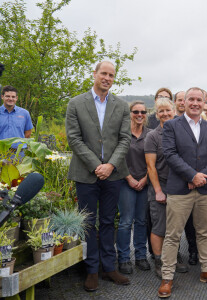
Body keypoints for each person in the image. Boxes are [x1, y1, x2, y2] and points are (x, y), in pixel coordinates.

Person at [65, 61, 131, 292]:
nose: (107, 78)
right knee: (88, 222)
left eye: (111, 75)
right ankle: (91, 270)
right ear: (94, 74)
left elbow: (125, 139)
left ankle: (108, 267)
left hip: (113, 175)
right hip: (85, 174)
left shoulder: (122, 106)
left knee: (108, 221)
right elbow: (74, 138)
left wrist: (111, 165)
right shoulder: (76, 103)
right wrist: (96, 165)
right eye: (103, 73)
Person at [158, 87, 207, 298]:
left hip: (205, 189)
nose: (195, 103)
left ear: (204, 101)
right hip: (180, 189)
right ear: (184, 102)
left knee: (204, 232)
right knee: (173, 235)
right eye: (191, 99)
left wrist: (200, 177)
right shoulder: (171, 125)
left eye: (199, 100)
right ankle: (167, 277)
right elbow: (170, 154)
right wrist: (190, 176)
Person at [145, 97, 188, 278]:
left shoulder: (182, 132)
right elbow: (151, 166)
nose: (165, 114)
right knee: (159, 227)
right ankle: (159, 260)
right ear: (157, 114)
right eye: (161, 111)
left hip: (179, 186)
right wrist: (158, 191)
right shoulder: (153, 136)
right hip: (161, 185)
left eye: (168, 110)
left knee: (175, 226)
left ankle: (172, 256)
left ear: (174, 111)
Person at [116, 101, 151, 274]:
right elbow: (118, 158)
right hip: (125, 182)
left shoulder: (150, 135)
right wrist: (129, 178)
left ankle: (141, 256)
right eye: (136, 111)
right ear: (130, 113)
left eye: (143, 111)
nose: (139, 114)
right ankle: (123, 259)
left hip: (145, 183)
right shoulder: (122, 134)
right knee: (125, 222)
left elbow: (155, 161)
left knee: (142, 221)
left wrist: (145, 179)